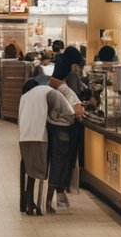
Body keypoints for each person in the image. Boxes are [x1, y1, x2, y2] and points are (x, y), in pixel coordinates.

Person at [19, 75, 76, 215]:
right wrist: (52, 121)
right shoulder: (49, 93)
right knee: (50, 167)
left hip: (25, 137)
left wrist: (49, 119)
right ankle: (42, 204)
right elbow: (70, 115)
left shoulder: (27, 97)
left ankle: (28, 203)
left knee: (30, 169)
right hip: (47, 135)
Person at [48, 48, 86, 209]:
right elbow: (77, 111)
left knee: (56, 161)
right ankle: (59, 194)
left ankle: (55, 195)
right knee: (62, 162)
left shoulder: (53, 83)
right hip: (65, 128)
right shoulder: (66, 86)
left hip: (53, 126)